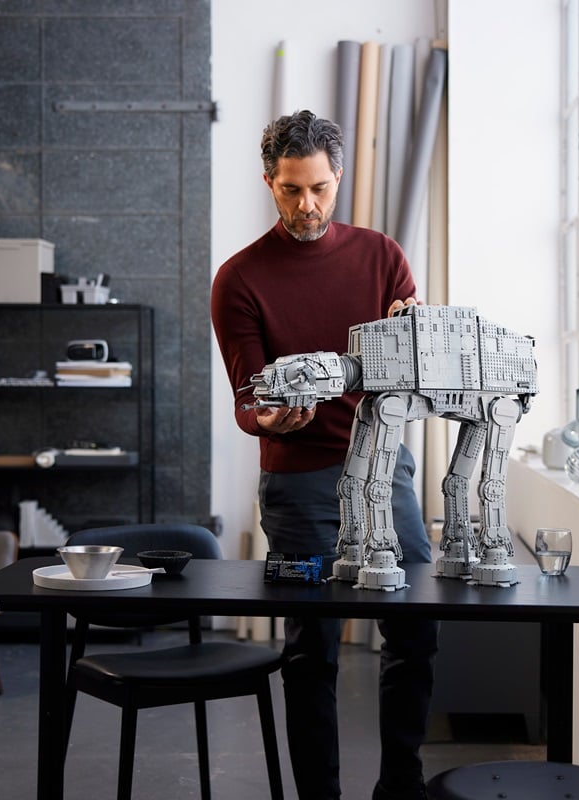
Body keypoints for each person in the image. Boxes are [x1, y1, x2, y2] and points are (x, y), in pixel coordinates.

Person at [210, 110, 439, 800]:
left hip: (384, 470)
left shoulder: (382, 257)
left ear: (338, 177)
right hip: (299, 483)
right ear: (268, 183)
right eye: (289, 191)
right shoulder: (239, 279)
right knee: (311, 648)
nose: (306, 206)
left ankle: (401, 784)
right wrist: (271, 417)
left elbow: (415, 365)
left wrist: (416, 340)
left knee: (416, 631)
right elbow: (249, 399)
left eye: (318, 188)